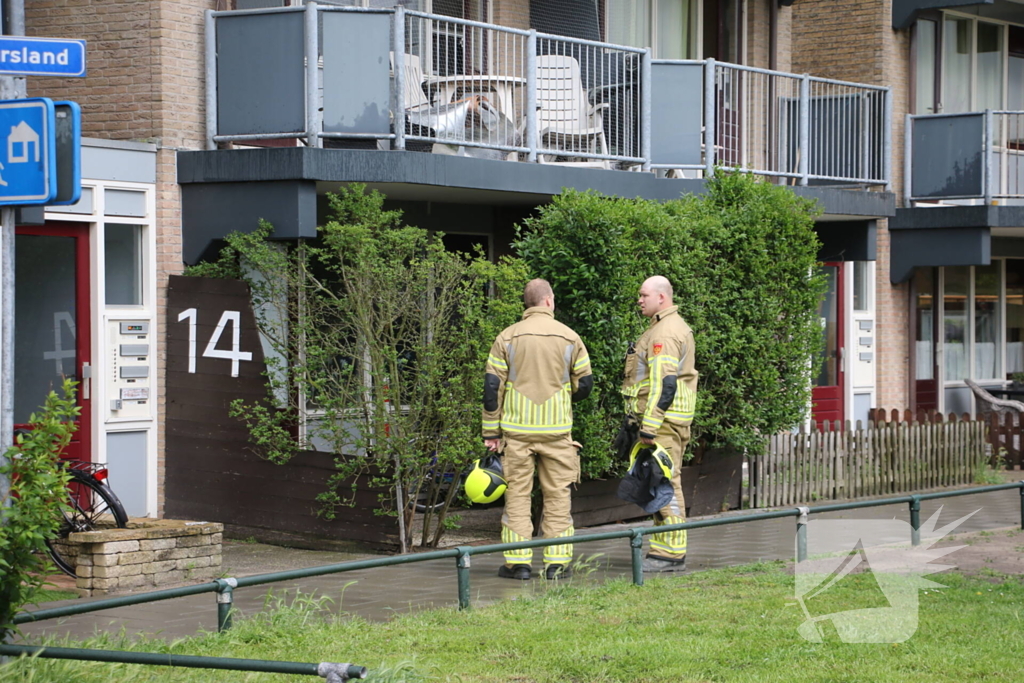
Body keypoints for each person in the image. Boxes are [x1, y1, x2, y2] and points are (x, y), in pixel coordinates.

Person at [483, 278, 593, 581]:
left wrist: (491, 432)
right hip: (557, 432)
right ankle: (557, 564)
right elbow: (585, 385)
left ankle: (518, 565)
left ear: (527, 303)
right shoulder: (570, 338)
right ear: (549, 301)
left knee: (517, 496)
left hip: (516, 433)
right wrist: (562, 397)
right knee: (558, 496)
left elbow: (492, 388)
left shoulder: (506, 338)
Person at [621, 275, 698, 572]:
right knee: (657, 482)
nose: (639, 300)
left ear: (661, 298)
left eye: (643, 295)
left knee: (665, 482)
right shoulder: (663, 327)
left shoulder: (664, 333)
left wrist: (649, 427)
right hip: (664, 422)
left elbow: (664, 385)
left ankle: (671, 553)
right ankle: (663, 548)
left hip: (662, 425)